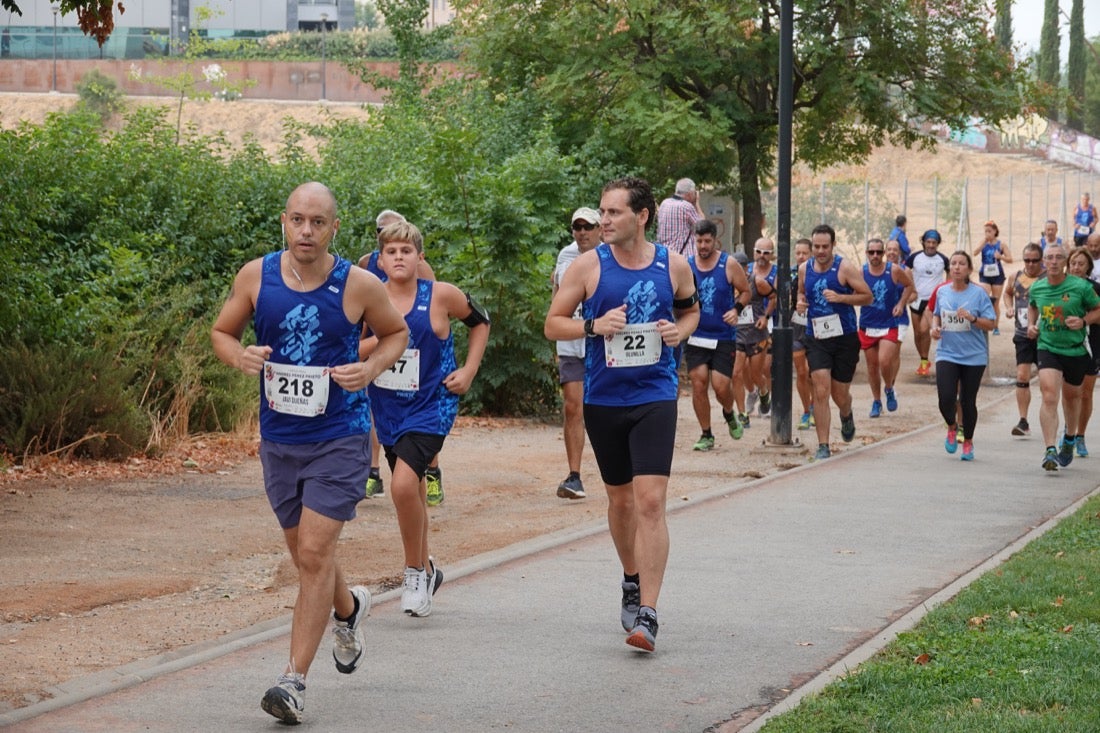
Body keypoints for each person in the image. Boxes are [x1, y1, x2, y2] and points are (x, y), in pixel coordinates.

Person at [210, 182, 410, 725]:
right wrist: (239, 356)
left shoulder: (360, 284)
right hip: (280, 440)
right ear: (284, 220)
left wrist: (370, 368)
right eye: (297, 219)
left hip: (340, 437)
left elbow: (396, 334)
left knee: (316, 554)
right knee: (306, 556)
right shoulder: (257, 276)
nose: (306, 231)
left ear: (334, 228)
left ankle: (292, 681)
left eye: (317, 222)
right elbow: (222, 332)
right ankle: (349, 607)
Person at [545, 176, 700, 653]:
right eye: (603, 212)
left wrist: (679, 332)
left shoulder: (673, 265)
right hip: (605, 399)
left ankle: (648, 613)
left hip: (655, 395)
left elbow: (691, 312)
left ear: (642, 216)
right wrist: (593, 325)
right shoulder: (588, 266)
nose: (604, 220)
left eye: (614, 212)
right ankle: (631, 578)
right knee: (621, 502)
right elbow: (553, 324)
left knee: (650, 501)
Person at [364, 220, 490, 617]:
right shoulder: (369, 298)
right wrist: (384, 340)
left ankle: (414, 573)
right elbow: (354, 347)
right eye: (391, 252)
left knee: (402, 485)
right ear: (380, 260)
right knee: (412, 487)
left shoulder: (440, 294)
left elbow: (481, 322)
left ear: (420, 257)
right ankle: (430, 569)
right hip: (387, 407)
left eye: (406, 251)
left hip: (432, 405)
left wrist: (469, 370)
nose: (399, 257)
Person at [357, 209, 439, 501]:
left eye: (405, 247)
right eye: (383, 233)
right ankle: (374, 472)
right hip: (381, 355)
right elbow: (360, 319)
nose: (398, 254)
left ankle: (433, 472)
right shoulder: (366, 264)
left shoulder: (422, 269)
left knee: (421, 418)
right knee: (375, 413)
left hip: (416, 356)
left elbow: (433, 308)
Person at [797, 223, 873, 461]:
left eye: (825, 247)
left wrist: (841, 298)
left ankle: (846, 412)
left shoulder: (844, 268)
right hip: (817, 336)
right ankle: (823, 445)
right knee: (821, 389)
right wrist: (800, 302)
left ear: (833, 245)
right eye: (816, 246)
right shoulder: (804, 269)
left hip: (844, 338)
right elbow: (801, 292)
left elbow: (867, 297)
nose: (820, 251)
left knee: (839, 394)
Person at [1027, 243, 1100, 471]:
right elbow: (1032, 306)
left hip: (1075, 349)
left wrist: (1083, 321)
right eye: (1050, 257)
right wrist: (1031, 325)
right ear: (1044, 262)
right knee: (1049, 395)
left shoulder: (1081, 286)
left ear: (1064, 262)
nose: (1054, 261)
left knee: (1072, 397)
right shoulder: (1037, 287)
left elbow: (1098, 310)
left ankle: (1069, 438)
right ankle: (1050, 449)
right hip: (1048, 347)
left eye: (1059, 257)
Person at [551, 207, 603, 497]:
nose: (582, 232)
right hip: (572, 341)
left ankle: (619, 471)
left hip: (604, 343)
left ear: (599, 229)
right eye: (577, 227)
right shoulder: (565, 255)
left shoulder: (611, 255)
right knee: (573, 406)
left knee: (602, 409)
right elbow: (557, 294)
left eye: (588, 227)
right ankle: (574, 476)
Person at [686, 219, 751, 450]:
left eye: (707, 241)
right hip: (696, 334)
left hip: (723, 335)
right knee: (698, 382)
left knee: (721, 386)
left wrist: (736, 310)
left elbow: (746, 291)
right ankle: (706, 434)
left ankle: (728, 412)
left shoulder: (728, 264)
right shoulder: (687, 265)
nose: (703, 246)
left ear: (715, 240)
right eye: (699, 241)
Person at [929, 252, 996, 461]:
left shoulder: (979, 293)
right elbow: (936, 314)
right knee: (945, 398)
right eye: (953, 263)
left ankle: (968, 441)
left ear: (969, 269)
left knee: (967, 401)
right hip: (947, 352)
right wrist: (934, 328)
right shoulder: (942, 291)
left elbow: (991, 323)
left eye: (961, 264)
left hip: (973, 356)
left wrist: (972, 318)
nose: (957, 267)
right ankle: (952, 426)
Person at [859, 237, 914, 417]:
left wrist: (901, 303)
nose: (875, 255)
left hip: (889, 323)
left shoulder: (893, 270)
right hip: (868, 324)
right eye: (871, 252)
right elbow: (851, 291)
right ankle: (876, 401)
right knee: (872, 366)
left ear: (883, 253)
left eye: (878, 252)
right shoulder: (861, 272)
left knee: (884, 360)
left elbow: (909, 286)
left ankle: (889, 388)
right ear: (867, 253)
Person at [1003, 243, 1045, 436]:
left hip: (1046, 336)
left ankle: (1051, 415)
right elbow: (1007, 293)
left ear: (1041, 260)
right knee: (1022, 376)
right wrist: (1009, 307)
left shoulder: (1048, 278)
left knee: (1047, 382)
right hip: (1022, 334)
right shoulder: (1016, 276)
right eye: (1027, 260)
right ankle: (1023, 421)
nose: (1030, 264)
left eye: (1034, 260)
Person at [735, 237, 777, 427]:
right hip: (737, 334)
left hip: (757, 333)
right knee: (736, 373)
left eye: (766, 252)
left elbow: (774, 297)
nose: (762, 255)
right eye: (759, 251)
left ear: (746, 269)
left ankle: (764, 392)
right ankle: (742, 414)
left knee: (756, 373)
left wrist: (765, 317)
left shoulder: (757, 281)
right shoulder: (727, 283)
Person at [1064, 248, 1100, 458]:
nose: (1076, 267)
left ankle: (1080, 435)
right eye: (1073, 263)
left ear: (1088, 268)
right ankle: (1068, 430)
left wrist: (1085, 319)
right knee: (1070, 392)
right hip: (1066, 344)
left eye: (1081, 264)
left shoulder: (1095, 288)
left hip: (1091, 344)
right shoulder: (1061, 287)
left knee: (1085, 393)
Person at [905, 229, 950, 376]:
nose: (931, 245)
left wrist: (946, 290)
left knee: (925, 330)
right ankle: (923, 359)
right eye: (928, 242)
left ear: (938, 244)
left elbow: (950, 274)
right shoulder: (915, 257)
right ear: (923, 242)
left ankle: (924, 362)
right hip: (916, 299)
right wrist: (910, 289)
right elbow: (905, 271)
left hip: (932, 300)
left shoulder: (943, 259)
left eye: (934, 242)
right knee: (917, 333)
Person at [791, 238, 815, 430]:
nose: (801, 256)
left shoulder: (817, 272)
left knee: (814, 372)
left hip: (816, 328)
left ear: (811, 254)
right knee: (801, 371)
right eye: (798, 253)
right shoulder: (789, 274)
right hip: (796, 329)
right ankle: (806, 411)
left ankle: (815, 407)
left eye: (804, 253)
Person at [972, 220, 1012, 334]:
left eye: (989, 231)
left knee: (995, 301)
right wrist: (983, 243)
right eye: (985, 231)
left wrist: (1000, 257)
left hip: (997, 275)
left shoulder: (1001, 244)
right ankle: (983, 322)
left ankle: (995, 326)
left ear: (995, 231)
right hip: (985, 274)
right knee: (984, 297)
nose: (987, 233)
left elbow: (1010, 259)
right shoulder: (983, 243)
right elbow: (974, 253)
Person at [655, 177, 704, 258]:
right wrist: (697, 203)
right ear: (689, 194)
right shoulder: (686, 206)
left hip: (665, 256)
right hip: (683, 257)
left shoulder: (664, 203)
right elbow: (703, 226)